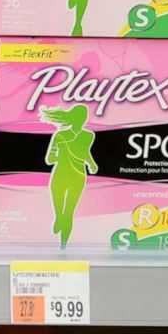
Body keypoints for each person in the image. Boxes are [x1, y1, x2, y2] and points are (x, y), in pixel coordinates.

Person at [41, 104, 99, 248]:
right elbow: (49, 159)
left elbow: (84, 152)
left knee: (69, 212)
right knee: (61, 212)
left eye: (85, 117)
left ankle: (63, 246)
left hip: (78, 175)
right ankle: (59, 218)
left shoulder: (89, 135)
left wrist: (92, 164)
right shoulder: (60, 135)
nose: (84, 119)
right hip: (60, 174)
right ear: (74, 118)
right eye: (81, 117)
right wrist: (61, 152)